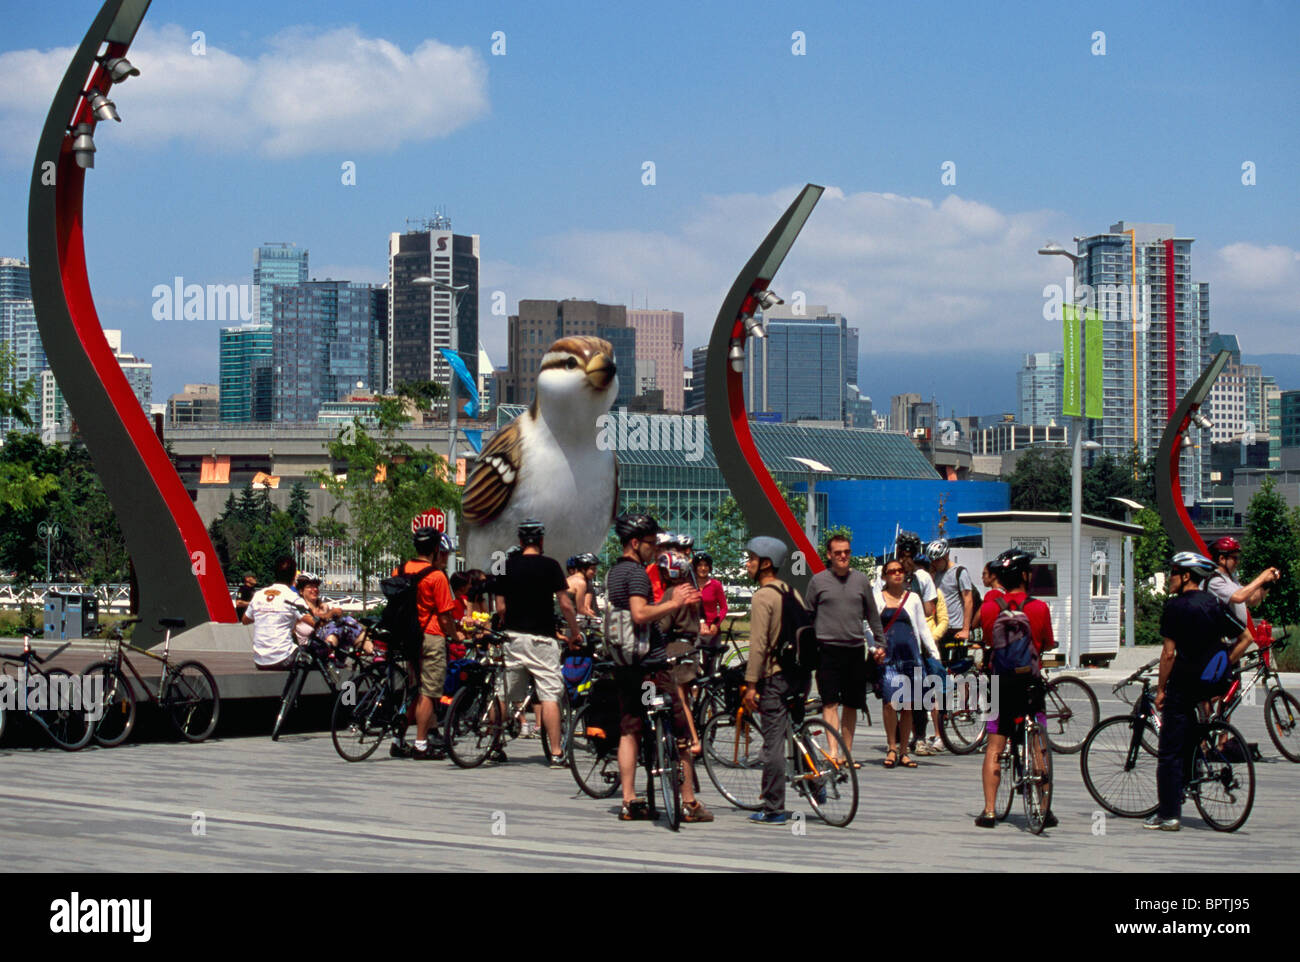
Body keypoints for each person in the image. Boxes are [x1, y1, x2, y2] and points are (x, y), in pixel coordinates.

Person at [608, 513, 711, 823]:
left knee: (629, 730)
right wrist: (674, 602)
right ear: (635, 543)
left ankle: (629, 800)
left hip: (624, 662)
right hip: (649, 667)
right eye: (651, 543)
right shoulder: (638, 574)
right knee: (679, 728)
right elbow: (640, 614)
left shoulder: (613, 572)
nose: (655, 549)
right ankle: (688, 802)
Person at [1147, 552, 1253, 831]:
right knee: (1192, 733)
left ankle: (1169, 814)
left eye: (1173, 573)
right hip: (1211, 683)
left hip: (1183, 683)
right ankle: (1190, 776)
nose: (1170, 578)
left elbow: (1168, 654)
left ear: (1185, 576)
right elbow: (1246, 639)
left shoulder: (1175, 607)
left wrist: (1160, 690)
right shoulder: (1213, 604)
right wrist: (1222, 665)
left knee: (1168, 750)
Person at [974, 549, 1057, 828]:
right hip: (1030, 684)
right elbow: (1045, 643)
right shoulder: (1038, 608)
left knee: (994, 746)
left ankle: (988, 811)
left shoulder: (989, 607)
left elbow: (988, 640)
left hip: (1000, 683)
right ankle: (1043, 809)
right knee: (1038, 747)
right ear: (1024, 575)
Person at [494, 519, 582, 767]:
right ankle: (556, 753)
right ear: (541, 541)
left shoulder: (505, 565)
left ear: (520, 541)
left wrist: (509, 619)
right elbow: (565, 604)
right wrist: (574, 631)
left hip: (513, 637)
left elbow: (500, 606)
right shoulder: (551, 566)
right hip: (542, 639)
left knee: (504, 693)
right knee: (549, 695)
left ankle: (493, 744)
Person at [742, 535, 811, 824]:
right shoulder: (790, 591)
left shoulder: (762, 596)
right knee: (799, 732)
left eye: (752, 559)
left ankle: (773, 808)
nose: (748, 564)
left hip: (776, 676)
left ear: (765, 563)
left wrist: (751, 684)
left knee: (772, 744)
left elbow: (757, 645)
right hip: (801, 675)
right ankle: (816, 783)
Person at [807, 534, 884, 764]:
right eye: (838, 553)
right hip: (827, 650)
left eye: (847, 552)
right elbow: (807, 617)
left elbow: (872, 615)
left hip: (854, 649)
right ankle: (833, 752)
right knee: (830, 701)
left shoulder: (861, 581)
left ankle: (847, 754)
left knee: (852, 703)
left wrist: (880, 643)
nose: (843, 556)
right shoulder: (818, 582)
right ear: (829, 555)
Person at [394, 528, 459, 761]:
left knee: (413, 690)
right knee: (429, 693)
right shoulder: (436, 576)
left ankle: (397, 739)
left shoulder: (400, 570)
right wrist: (455, 635)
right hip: (431, 637)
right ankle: (421, 745)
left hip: (407, 637)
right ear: (434, 549)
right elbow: (444, 617)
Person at [872, 559, 939, 769]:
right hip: (888, 657)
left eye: (900, 570)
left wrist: (934, 654)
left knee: (908, 705)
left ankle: (904, 752)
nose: (897, 574)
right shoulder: (876, 598)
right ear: (884, 576)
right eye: (892, 571)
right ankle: (892, 746)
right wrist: (874, 649)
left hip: (911, 656)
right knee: (891, 703)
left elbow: (922, 628)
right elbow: (868, 626)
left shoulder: (913, 598)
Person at [910, 552, 948, 755]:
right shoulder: (909, 594)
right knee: (915, 694)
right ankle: (918, 736)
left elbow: (943, 620)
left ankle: (939, 735)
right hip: (913, 646)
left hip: (929, 646)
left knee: (934, 694)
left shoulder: (936, 594)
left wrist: (932, 638)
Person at [245, 555, 310, 671]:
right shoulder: (292, 597)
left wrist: (266, 612)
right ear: (293, 576)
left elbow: (245, 620)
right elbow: (313, 621)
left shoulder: (259, 595)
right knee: (316, 651)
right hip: (284, 658)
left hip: (260, 660)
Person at [1205, 536, 1280, 627]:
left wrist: (1268, 583)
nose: (1237, 562)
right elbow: (1239, 597)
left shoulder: (1230, 579)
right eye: (1234, 558)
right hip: (1224, 638)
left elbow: (1252, 600)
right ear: (1222, 559)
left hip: (1236, 637)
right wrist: (1261, 578)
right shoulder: (1214, 580)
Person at [695, 553, 727, 672]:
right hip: (695, 631)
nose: (703, 568)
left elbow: (724, 608)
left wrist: (716, 624)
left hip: (712, 631)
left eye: (706, 565)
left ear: (710, 568)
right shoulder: (690, 585)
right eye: (700, 565)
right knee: (692, 667)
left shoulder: (716, 585)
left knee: (711, 669)